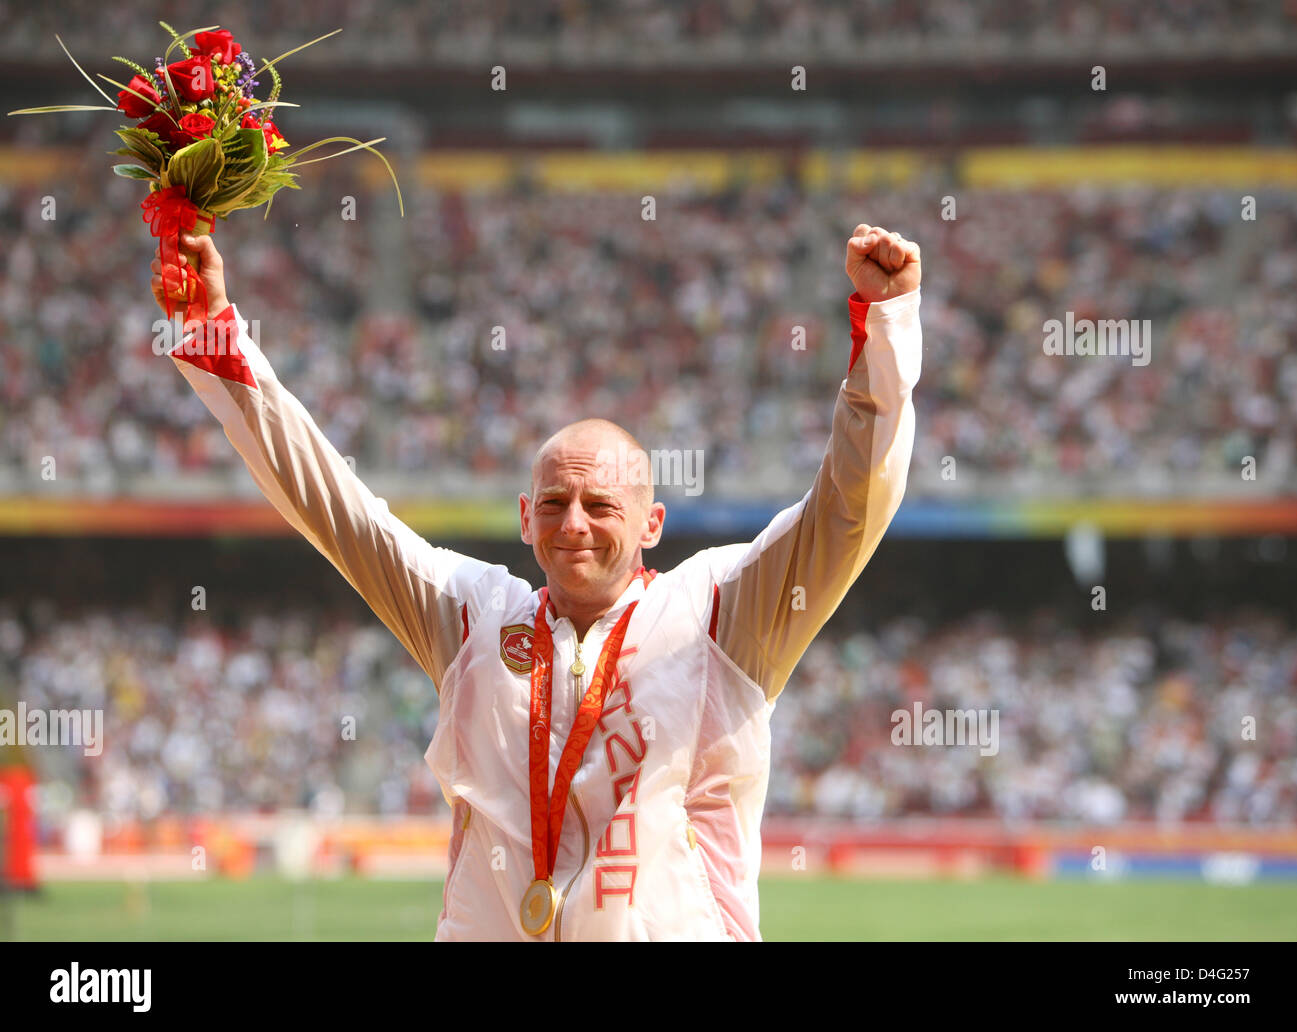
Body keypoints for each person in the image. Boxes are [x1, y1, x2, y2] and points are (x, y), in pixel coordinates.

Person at [150, 221, 922, 940]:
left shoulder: (721, 615)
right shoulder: (472, 619)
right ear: (525, 518)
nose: (574, 523)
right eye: (553, 503)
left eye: (600, 504)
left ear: (652, 524)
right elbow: (342, 513)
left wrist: (881, 333)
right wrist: (219, 337)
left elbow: (845, 511)